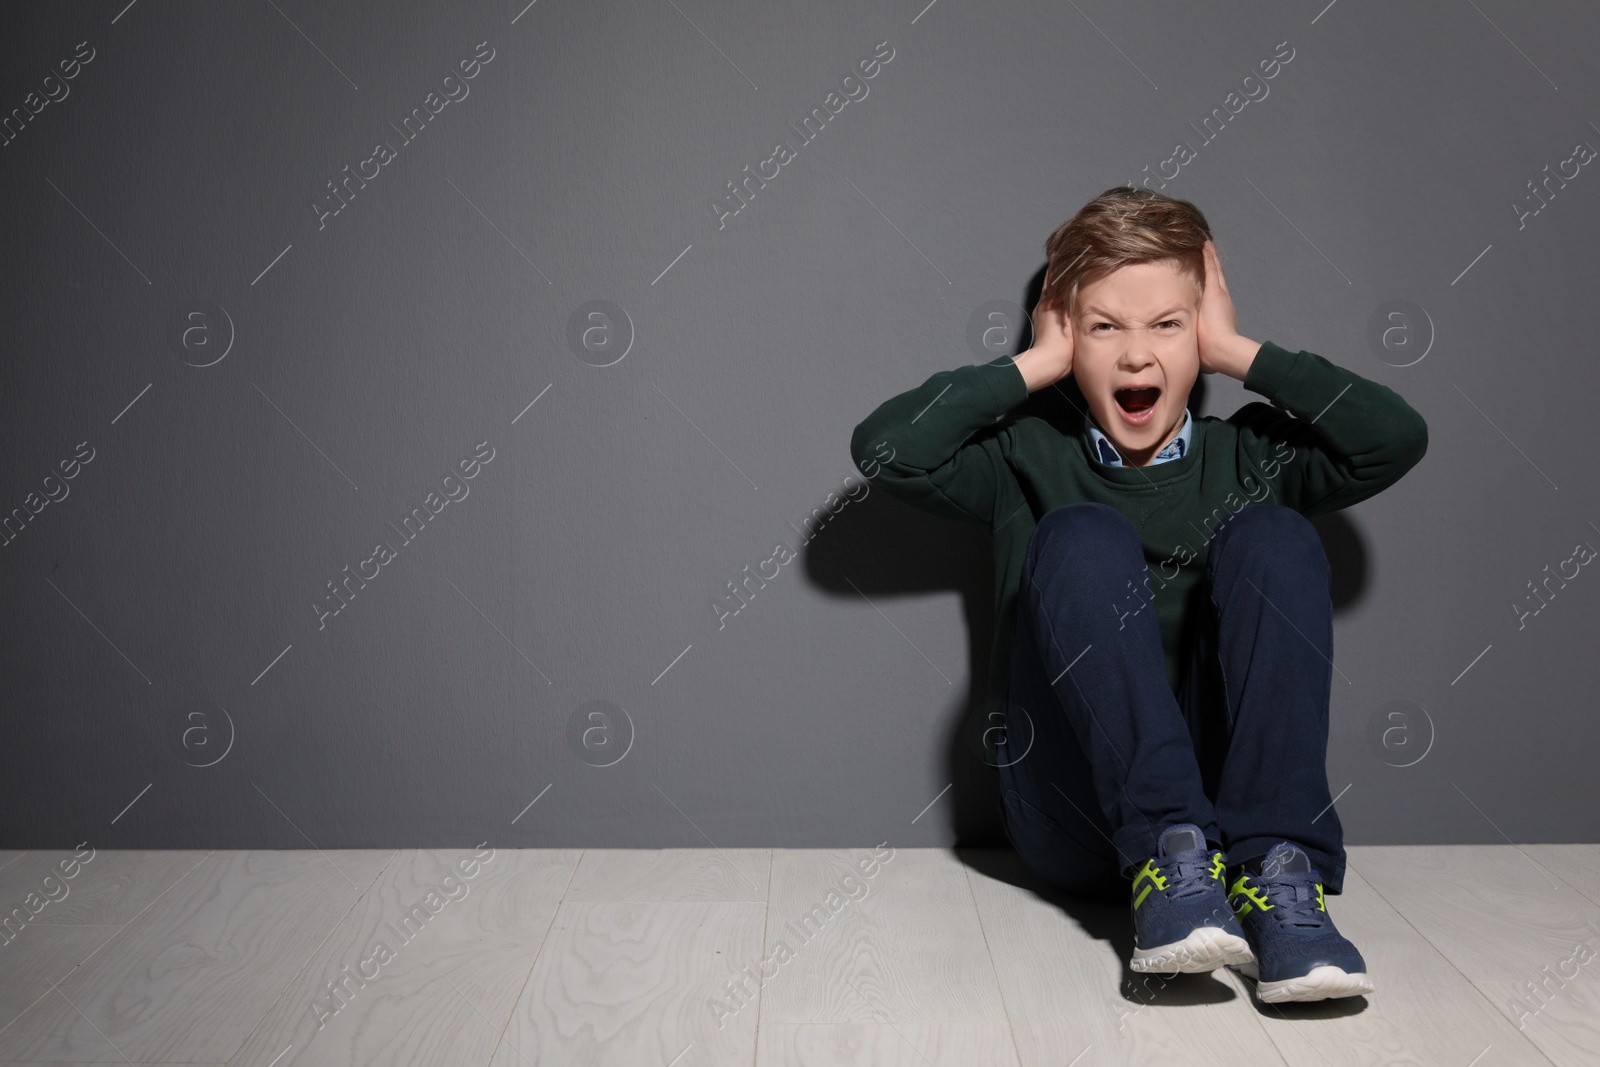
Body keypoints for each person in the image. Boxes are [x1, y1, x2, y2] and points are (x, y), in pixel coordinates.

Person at [848, 186, 1428, 1004]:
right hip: (1075, 815)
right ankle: (1164, 854)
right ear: (1065, 331)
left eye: (1168, 324)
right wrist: (1034, 367)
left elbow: (1394, 438)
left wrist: (1240, 352)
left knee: (1278, 535)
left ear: (1202, 331)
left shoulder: (1249, 456)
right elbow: (886, 450)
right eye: (1103, 327)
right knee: (1081, 535)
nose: (1135, 356)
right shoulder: (1024, 457)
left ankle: (1275, 879)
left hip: (1234, 823)